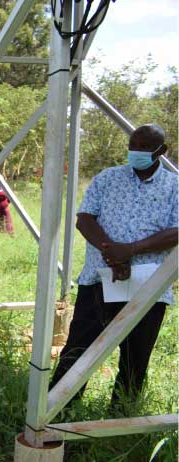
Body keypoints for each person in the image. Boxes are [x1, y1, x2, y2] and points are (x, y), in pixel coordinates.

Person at [50, 125, 177, 411]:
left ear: (161, 151)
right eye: (134, 144)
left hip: (149, 286)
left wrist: (131, 250)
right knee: (79, 348)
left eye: (145, 147)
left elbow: (176, 231)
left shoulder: (174, 186)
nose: (137, 151)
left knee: (136, 357)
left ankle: (120, 416)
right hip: (100, 279)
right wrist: (112, 253)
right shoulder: (108, 178)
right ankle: (58, 410)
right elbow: (85, 219)